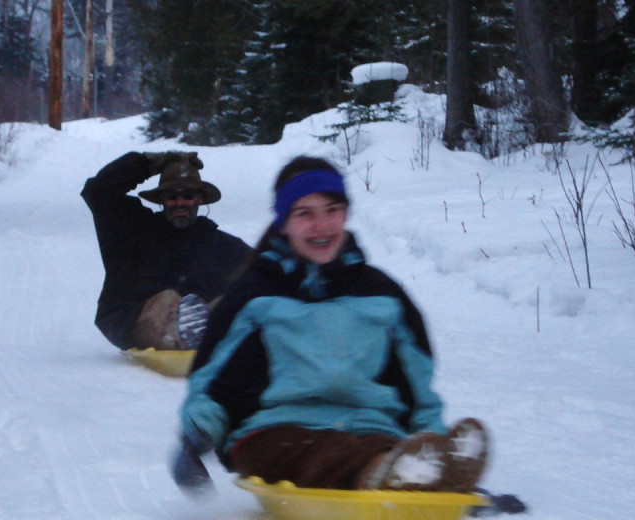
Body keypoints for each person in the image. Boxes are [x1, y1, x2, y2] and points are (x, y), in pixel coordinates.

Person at [171, 155, 489, 496]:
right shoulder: (254, 297)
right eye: (304, 213)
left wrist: (433, 439)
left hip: (372, 432)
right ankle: (397, 474)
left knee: (371, 448)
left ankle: (421, 474)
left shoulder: (382, 296)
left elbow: (417, 387)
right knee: (317, 452)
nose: (321, 225)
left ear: (346, 214)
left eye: (332, 210)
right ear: (283, 223)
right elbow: (215, 380)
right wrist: (195, 439)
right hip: (273, 433)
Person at [81, 151, 250, 351]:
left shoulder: (225, 246)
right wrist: (147, 164)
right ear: (161, 199)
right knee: (167, 301)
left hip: (205, 321)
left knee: (236, 301)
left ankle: (207, 333)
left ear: (200, 199)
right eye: (172, 196)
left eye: (188, 196)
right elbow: (98, 191)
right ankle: (192, 334)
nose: (180, 202)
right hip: (132, 319)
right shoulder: (132, 232)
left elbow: (264, 272)